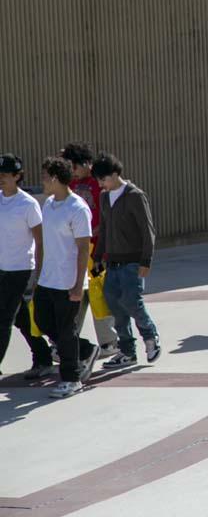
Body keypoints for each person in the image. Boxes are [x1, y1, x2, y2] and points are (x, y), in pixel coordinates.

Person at [33, 157, 99, 398]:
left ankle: (72, 380)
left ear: (54, 178)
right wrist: (38, 273)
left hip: (68, 281)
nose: (41, 181)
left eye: (44, 177)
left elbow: (83, 248)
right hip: (47, 279)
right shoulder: (49, 204)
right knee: (42, 322)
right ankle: (86, 349)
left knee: (65, 330)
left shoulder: (78, 208)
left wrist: (77, 284)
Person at [93, 152, 161, 369]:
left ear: (115, 174)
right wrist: (97, 257)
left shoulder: (134, 195)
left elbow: (147, 230)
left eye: (103, 179)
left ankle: (151, 338)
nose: (100, 184)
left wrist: (146, 261)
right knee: (115, 305)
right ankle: (127, 351)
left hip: (132, 262)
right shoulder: (105, 197)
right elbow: (104, 229)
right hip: (112, 263)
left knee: (133, 302)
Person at [59, 142, 118, 356]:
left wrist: (98, 237)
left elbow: (107, 215)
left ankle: (109, 341)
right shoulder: (71, 185)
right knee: (77, 294)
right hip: (77, 250)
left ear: (84, 163)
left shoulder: (98, 182)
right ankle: (68, 339)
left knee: (99, 295)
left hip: (98, 250)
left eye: (72, 166)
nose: (71, 172)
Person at [0, 154, 53, 380]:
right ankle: (43, 357)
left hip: (20, 270)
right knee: (22, 319)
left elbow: (40, 241)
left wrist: (40, 272)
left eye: (5, 175)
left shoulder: (28, 204)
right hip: (1, 269)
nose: (0, 178)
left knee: (3, 320)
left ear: (17, 176)